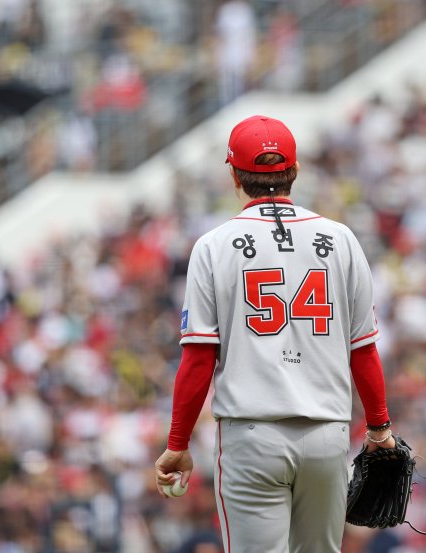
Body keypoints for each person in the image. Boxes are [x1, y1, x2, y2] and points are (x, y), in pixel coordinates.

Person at [154, 115, 395, 553]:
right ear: (295, 172)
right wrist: (379, 428)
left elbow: (198, 358)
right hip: (327, 433)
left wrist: (178, 443)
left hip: (251, 434)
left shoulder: (213, 245)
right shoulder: (340, 239)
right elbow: (363, 351)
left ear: (233, 175)